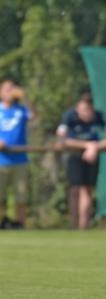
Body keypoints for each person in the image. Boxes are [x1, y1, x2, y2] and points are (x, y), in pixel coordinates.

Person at [0, 79, 34, 230]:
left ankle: (21, 226)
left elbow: (34, 116)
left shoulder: (21, 109)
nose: (11, 91)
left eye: (13, 88)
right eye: (7, 89)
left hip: (20, 160)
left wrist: (25, 98)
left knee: (21, 197)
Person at [56, 93, 106, 229]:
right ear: (78, 108)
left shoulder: (99, 116)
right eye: (83, 109)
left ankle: (84, 226)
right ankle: (74, 224)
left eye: (89, 109)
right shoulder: (69, 117)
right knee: (75, 189)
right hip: (75, 156)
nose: (86, 113)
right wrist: (87, 145)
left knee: (87, 190)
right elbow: (62, 140)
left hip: (92, 156)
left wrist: (95, 147)